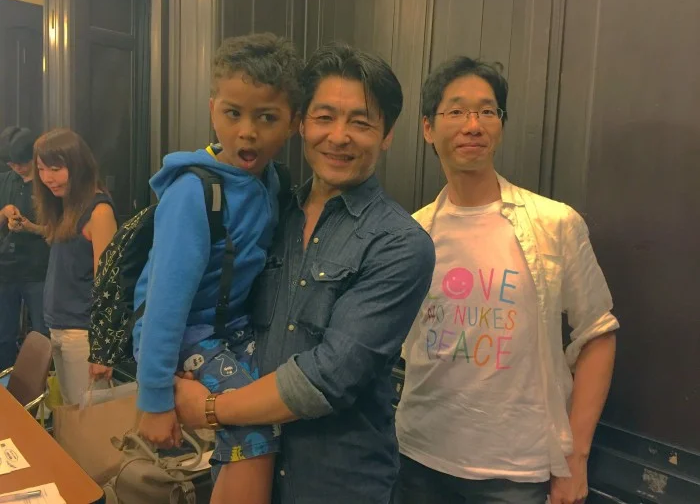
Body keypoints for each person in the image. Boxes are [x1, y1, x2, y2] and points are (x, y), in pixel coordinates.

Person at [172, 42, 436, 504]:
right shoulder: (271, 214)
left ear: (387, 135)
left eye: (361, 122)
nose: (339, 136)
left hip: (335, 484)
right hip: (246, 466)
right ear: (301, 123)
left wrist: (211, 408)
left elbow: (329, 376)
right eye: (324, 117)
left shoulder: (399, 243)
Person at [393, 56, 619, 504]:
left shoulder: (554, 224)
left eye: (487, 111)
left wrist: (576, 457)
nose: (472, 125)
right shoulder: (411, 234)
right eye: (457, 111)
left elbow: (597, 334)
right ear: (428, 128)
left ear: (500, 124)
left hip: (517, 470)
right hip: (417, 457)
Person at [132, 33, 303, 504]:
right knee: (255, 427)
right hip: (185, 333)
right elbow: (164, 303)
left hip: (232, 328)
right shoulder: (194, 193)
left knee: (276, 406)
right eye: (233, 113)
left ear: (293, 123)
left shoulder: (273, 182)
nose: (247, 131)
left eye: (266, 117)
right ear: (212, 111)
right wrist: (154, 398)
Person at [33, 128, 118, 405]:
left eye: (55, 169)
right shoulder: (66, 206)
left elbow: (109, 286)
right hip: (59, 326)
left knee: (91, 418)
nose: (47, 178)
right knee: (71, 411)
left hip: (83, 333)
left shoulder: (99, 211)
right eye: (41, 169)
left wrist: (103, 350)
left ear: (78, 165)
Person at [0, 127, 50, 370]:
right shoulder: (4, 180)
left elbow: (60, 231)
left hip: (39, 270)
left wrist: (31, 227)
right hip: (5, 269)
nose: (17, 168)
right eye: (12, 164)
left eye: (22, 163)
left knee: (42, 334)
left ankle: (42, 385)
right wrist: (4, 213)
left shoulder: (48, 184)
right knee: (3, 335)